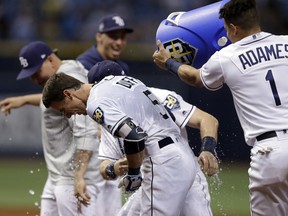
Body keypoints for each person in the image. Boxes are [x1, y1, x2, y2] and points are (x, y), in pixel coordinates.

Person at [153, 0, 288, 215]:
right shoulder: (286, 42)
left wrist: (168, 62)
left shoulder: (227, 56)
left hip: (269, 151)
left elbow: (194, 77)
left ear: (233, 28)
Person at [41, 66, 219, 216]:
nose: (68, 115)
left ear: (68, 94)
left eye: (64, 109)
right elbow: (109, 161)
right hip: (178, 157)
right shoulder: (119, 85)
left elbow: (135, 136)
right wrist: (118, 168)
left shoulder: (96, 102)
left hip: (162, 161)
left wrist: (134, 173)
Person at [0, 41, 121, 216]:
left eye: (36, 72)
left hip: (70, 176)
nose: (34, 79)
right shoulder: (63, 75)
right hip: (59, 173)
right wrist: (25, 99)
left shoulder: (69, 77)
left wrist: (79, 175)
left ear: (50, 60)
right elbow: (53, 100)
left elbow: (86, 129)